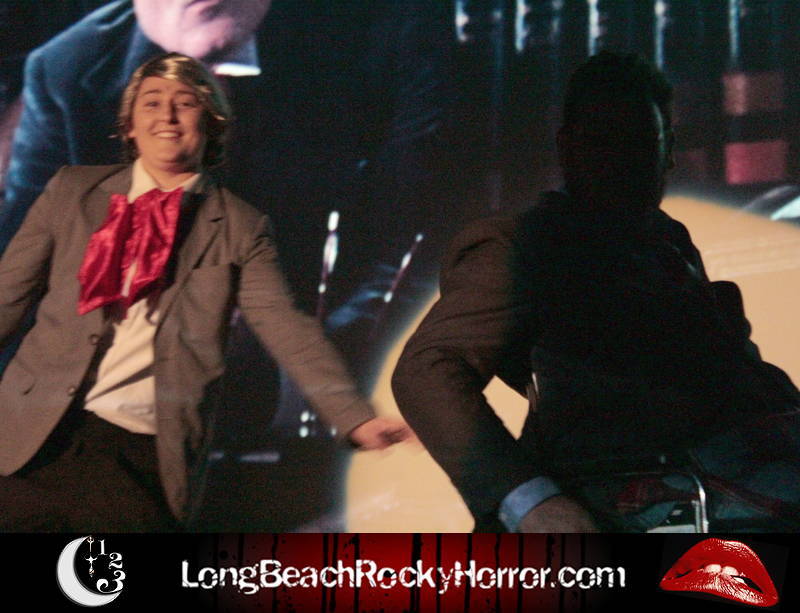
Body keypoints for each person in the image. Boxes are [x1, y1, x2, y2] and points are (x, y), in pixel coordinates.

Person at [0, 53, 412, 532]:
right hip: (30, 436)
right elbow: (8, 295)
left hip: (138, 453)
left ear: (212, 124)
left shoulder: (239, 226)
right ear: (129, 125)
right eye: (152, 102)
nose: (167, 115)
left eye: (185, 103)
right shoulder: (72, 191)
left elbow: (286, 327)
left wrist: (354, 417)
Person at [392, 52, 800, 532]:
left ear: (668, 150)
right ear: (567, 149)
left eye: (641, 142)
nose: (622, 161)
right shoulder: (525, 246)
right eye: (602, 142)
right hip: (632, 504)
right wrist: (531, 502)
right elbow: (428, 369)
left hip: (732, 483)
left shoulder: (668, 241)